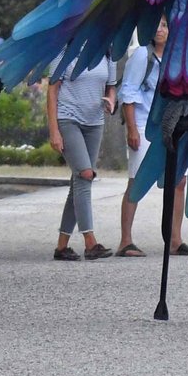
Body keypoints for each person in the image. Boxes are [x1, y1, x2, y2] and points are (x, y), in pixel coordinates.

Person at [116, 22, 188, 257]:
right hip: (143, 123)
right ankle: (125, 240)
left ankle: (175, 238)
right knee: (137, 180)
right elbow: (128, 92)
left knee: (179, 181)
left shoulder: (176, 55)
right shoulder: (142, 54)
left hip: (170, 125)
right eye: (156, 25)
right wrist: (132, 129)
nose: (160, 29)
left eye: (164, 25)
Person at [48, 49, 119, 261]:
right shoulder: (63, 53)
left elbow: (111, 86)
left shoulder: (107, 53)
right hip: (68, 119)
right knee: (86, 174)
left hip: (95, 123)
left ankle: (62, 247)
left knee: (78, 182)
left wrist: (111, 101)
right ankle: (90, 241)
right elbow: (52, 91)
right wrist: (54, 131)